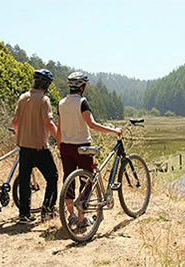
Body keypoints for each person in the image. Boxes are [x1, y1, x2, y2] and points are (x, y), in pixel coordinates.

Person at [57, 71, 122, 227]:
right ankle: (81, 218)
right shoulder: (82, 102)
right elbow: (91, 125)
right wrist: (114, 130)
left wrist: (60, 145)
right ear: (82, 87)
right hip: (82, 147)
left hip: (65, 146)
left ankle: (71, 215)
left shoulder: (61, 103)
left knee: (69, 180)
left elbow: (59, 129)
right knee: (86, 180)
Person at [12, 69, 59, 224]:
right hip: (39, 147)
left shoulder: (23, 97)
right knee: (52, 177)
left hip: (24, 146)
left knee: (24, 180)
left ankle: (24, 215)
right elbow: (48, 123)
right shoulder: (44, 100)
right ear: (46, 84)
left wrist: (20, 135)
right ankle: (47, 212)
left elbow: (15, 122)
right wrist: (60, 138)